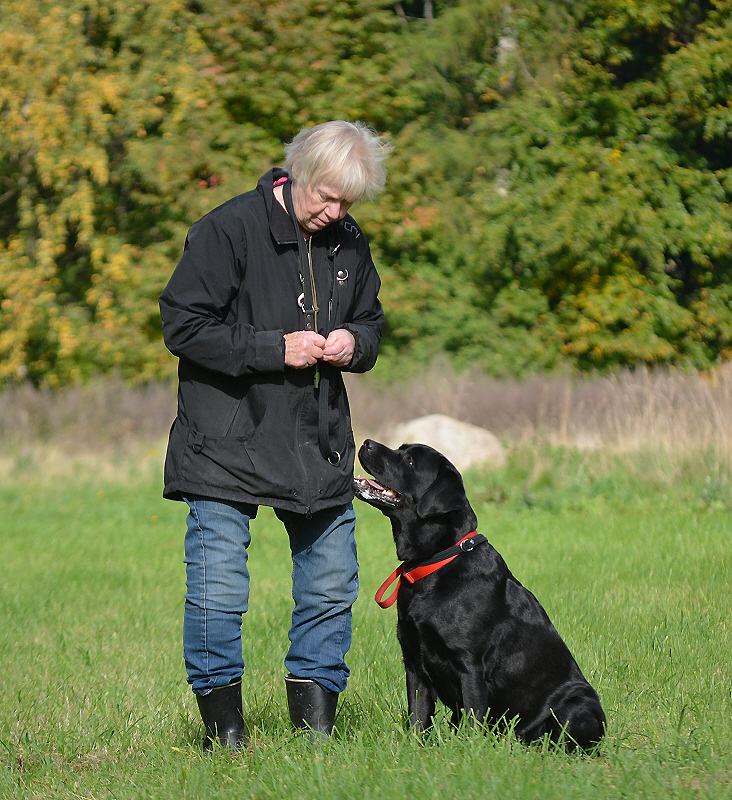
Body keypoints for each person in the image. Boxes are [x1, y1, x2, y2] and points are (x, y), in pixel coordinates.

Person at [159, 120, 391, 750]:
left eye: (348, 202)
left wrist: (355, 343)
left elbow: (372, 322)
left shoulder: (349, 244)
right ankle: (224, 734)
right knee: (219, 586)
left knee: (333, 578)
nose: (336, 212)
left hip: (317, 442)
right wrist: (272, 349)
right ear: (298, 174)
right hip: (225, 441)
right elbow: (182, 325)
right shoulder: (226, 230)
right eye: (327, 197)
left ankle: (314, 729)